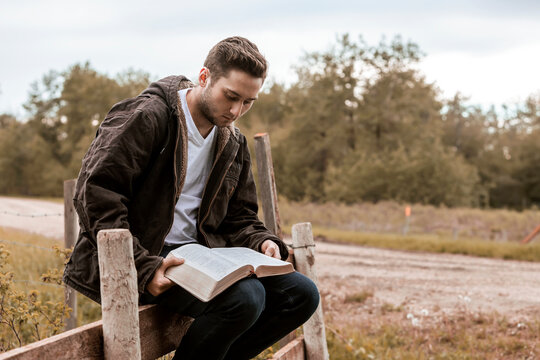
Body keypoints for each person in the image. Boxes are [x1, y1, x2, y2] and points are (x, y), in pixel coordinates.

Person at [63, 36, 319, 360]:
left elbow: (239, 217)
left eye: (249, 102)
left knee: (302, 295)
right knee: (245, 299)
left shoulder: (232, 143)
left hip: (202, 256)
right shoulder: (149, 116)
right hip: (148, 255)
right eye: (231, 96)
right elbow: (96, 193)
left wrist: (262, 243)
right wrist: (143, 268)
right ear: (204, 77)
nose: (237, 111)